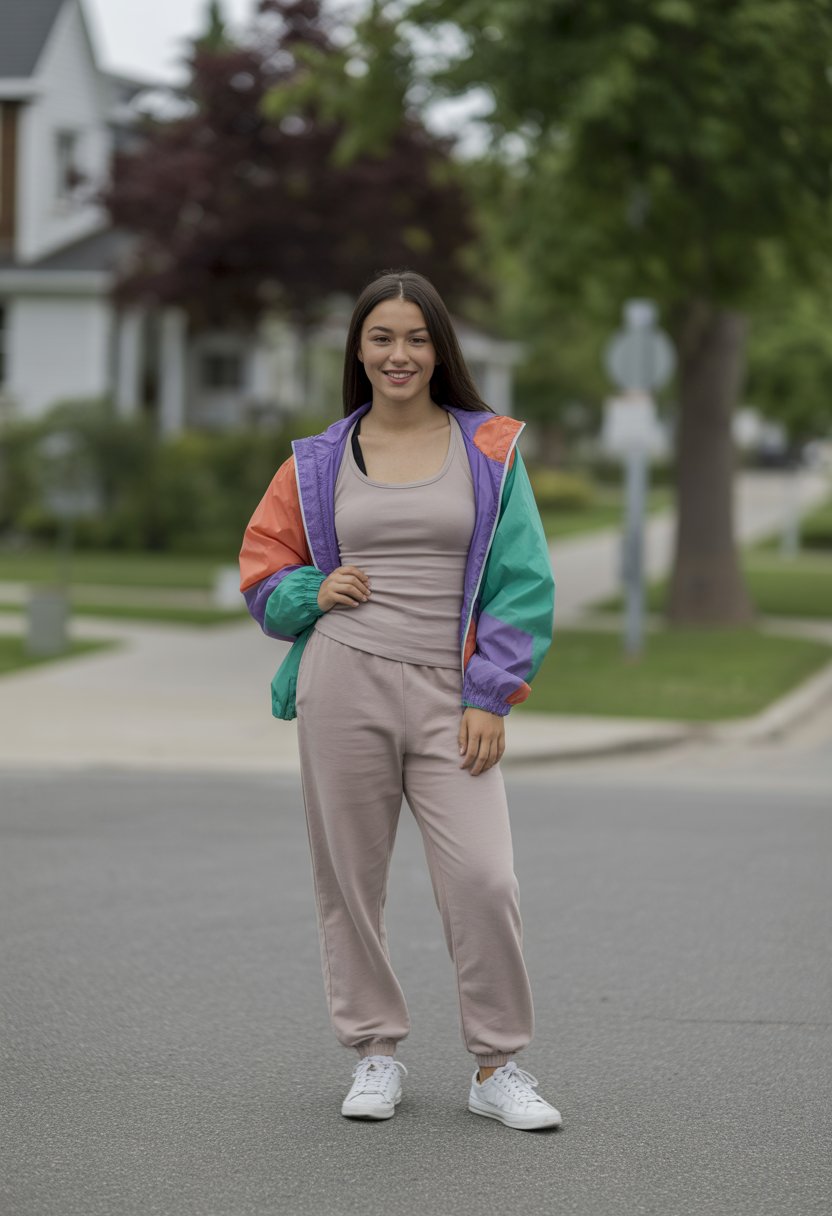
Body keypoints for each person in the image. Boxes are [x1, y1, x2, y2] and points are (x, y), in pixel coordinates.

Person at [239, 269, 560, 1131]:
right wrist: (313, 593)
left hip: (452, 698)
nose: (399, 354)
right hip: (342, 681)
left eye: (417, 338)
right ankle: (375, 1051)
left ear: (439, 350)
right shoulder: (316, 461)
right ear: (358, 349)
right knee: (349, 879)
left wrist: (490, 694)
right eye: (382, 337)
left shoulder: (489, 449)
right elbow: (263, 568)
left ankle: (497, 1067)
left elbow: (523, 582)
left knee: (486, 878)